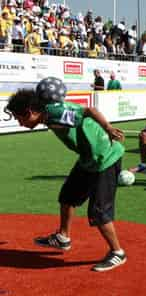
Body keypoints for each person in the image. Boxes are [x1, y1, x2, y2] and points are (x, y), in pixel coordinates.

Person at [6, 77, 127, 272]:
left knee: (99, 212)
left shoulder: (55, 113)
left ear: (30, 112)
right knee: (68, 196)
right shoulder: (48, 113)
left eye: (20, 118)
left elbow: (89, 110)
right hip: (88, 159)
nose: (20, 124)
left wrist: (108, 127)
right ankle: (63, 238)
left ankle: (117, 253)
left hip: (104, 158)